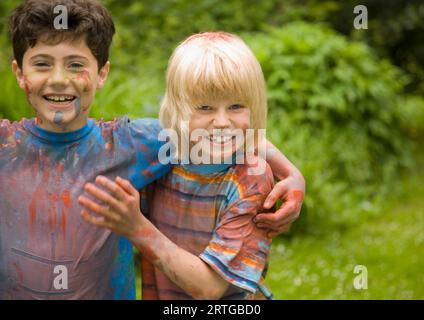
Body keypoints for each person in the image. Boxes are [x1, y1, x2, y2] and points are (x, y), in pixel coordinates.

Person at [0, 0, 304, 299]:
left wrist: (291, 174)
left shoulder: (131, 144)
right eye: (42, 64)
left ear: (102, 73)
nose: (58, 79)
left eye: (75, 65)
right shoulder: (4, 147)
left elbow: (215, 132)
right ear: (19, 72)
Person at [78, 32, 302, 299]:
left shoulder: (250, 178)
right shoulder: (161, 152)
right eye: (205, 107)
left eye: (236, 106)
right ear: (178, 109)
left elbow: (209, 289)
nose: (221, 121)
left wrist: (137, 227)